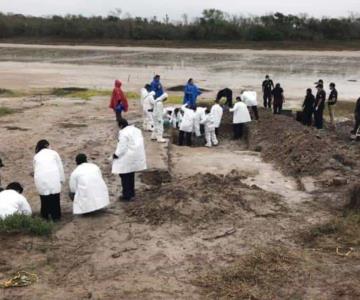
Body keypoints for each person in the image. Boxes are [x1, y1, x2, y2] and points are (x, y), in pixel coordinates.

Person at [112, 119, 147, 202]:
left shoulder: (123, 133)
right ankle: (131, 193)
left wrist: (116, 155)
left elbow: (122, 147)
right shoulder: (136, 130)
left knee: (124, 176)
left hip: (127, 157)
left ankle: (126, 195)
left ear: (120, 126)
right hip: (136, 155)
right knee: (131, 175)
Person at [33, 140, 65, 221]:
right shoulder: (54, 153)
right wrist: (62, 179)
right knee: (55, 198)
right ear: (46, 145)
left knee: (44, 198)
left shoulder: (36, 156)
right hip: (53, 177)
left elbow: (35, 169)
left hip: (40, 179)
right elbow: (60, 166)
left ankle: (45, 216)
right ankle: (56, 217)